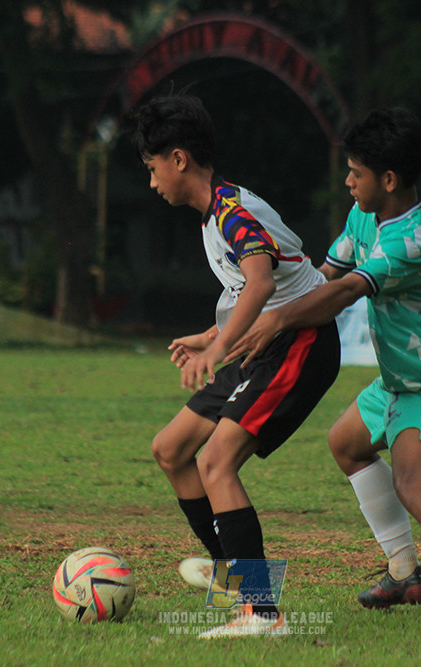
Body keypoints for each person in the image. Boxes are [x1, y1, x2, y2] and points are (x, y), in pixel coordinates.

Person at [228, 107, 421, 640]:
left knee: (415, 484)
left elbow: (345, 291)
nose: (347, 182)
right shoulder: (363, 215)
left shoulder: (413, 238)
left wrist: (278, 319)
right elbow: (326, 275)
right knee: (346, 443)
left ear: (388, 180)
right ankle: (406, 574)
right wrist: (260, 303)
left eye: (355, 173)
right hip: (396, 380)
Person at [126, 94, 342, 638]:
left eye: (152, 168)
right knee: (171, 450)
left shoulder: (230, 211)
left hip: (299, 342)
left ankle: (261, 612)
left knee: (216, 462)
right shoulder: (214, 214)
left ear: (178, 160)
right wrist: (212, 334)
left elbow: (263, 281)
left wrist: (215, 351)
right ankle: (238, 580)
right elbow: (251, 286)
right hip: (260, 344)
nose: (152, 183)